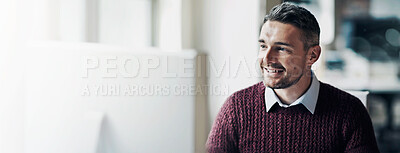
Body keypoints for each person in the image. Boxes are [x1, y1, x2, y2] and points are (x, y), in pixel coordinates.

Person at [206, 2, 380, 153]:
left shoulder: (349, 112)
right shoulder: (236, 109)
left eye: (281, 49)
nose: (267, 59)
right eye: (263, 46)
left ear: (312, 55)